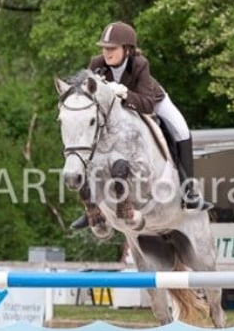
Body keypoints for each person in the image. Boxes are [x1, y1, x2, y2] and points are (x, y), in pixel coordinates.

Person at [71, 21, 211, 230]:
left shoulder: (139, 64)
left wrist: (125, 92)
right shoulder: (96, 64)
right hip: (115, 112)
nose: (106, 53)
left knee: (181, 130)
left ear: (126, 49)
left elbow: (147, 104)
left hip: (151, 100)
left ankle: (188, 189)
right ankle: (90, 206)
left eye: (112, 49)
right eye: (104, 48)